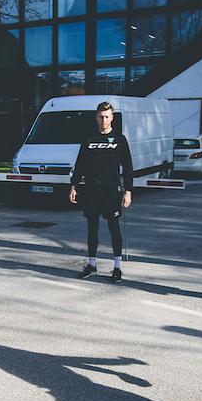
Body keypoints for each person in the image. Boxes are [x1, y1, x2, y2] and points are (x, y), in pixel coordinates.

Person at [69, 102, 133, 283]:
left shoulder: (119, 139)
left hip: (111, 192)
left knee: (114, 229)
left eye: (106, 116)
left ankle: (117, 267)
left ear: (112, 117)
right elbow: (80, 163)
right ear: (96, 118)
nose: (103, 120)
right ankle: (91, 264)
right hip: (91, 191)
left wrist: (128, 191)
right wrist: (73, 186)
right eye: (100, 117)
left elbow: (128, 167)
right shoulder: (89, 139)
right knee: (92, 229)